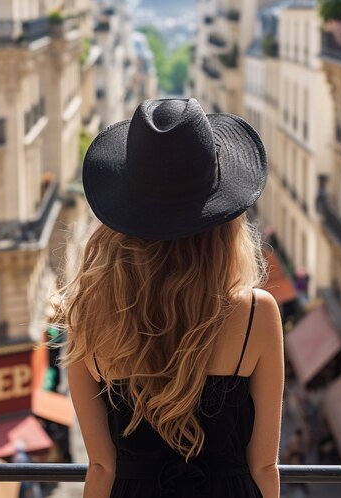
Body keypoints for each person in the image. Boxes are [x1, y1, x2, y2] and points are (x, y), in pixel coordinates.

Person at [52, 99, 284, 498]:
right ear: (224, 221)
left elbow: (103, 467)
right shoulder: (256, 315)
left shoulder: (88, 320)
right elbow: (263, 465)